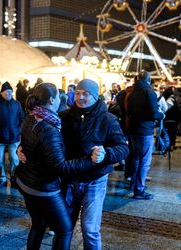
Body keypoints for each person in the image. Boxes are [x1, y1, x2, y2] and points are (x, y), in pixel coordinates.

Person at [16, 82, 105, 250]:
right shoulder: (50, 127)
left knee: (39, 224)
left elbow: (28, 144)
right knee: (64, 230)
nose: (78, 97)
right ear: (51, 100)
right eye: (58, 96)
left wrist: (19, 150)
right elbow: (60, 167)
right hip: (43, 187)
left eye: (85, 94)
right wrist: (90, 161)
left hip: (25, 181)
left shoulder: (32, 116)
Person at [60, 79, 129, 249]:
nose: (80, 97)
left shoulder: (108, 119)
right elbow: (45, 137)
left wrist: (107, 154)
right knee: (65, 226)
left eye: (85, 94)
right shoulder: (64, 116)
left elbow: (123, 148)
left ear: (95, 95)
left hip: (95, 181)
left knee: (90, 229)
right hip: (70, 179)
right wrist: (23, 147)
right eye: (77, 93)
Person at [127, 71, 164, 200]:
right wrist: (161, 115)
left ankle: (133, 185)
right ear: (149, 80)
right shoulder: (150, 92)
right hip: (145, 131)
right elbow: (154, 113)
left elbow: (129, 111)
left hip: (133, 130)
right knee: (144, 162)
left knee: (136, 159)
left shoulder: (132, 93)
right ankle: (139, 190)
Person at [0, 82, 25, 188]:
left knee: (14, 158)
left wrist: (18, 130)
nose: (9, 94)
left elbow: (22, 118)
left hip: (14, 137)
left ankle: (14, 178)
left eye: (10, 92)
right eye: (7, 92)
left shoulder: (16, 104)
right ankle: (2, 178)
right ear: (2, 93)